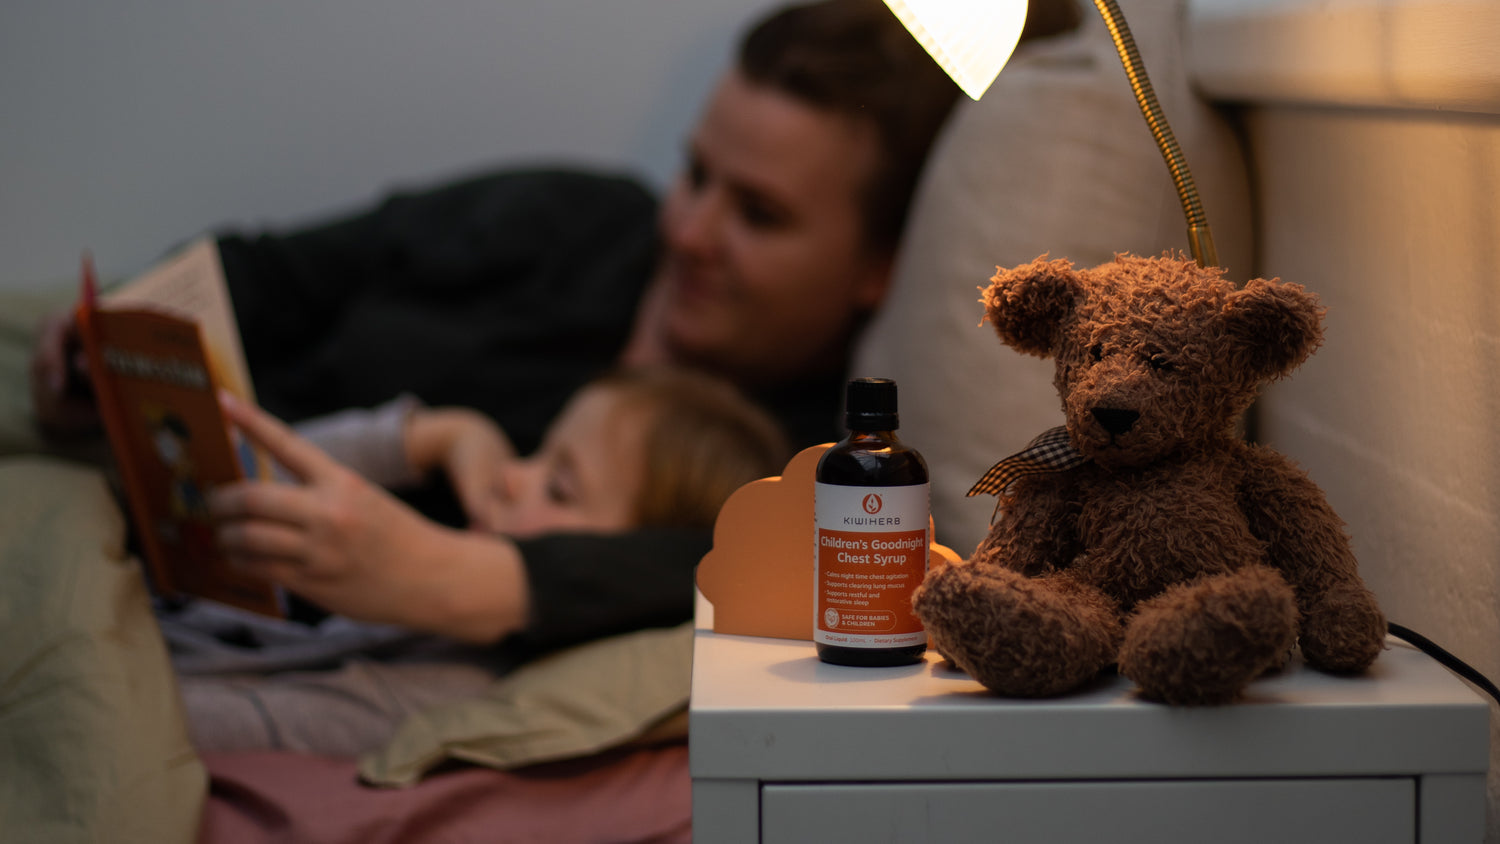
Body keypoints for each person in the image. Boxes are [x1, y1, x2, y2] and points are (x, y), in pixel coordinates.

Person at [29, 2, 1079, 667]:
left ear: (876, 268)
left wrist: (454, 576)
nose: (692, 233)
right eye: (697, 174)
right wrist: (113, 344)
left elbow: (727, 567)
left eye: (758, 214)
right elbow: (273, 270)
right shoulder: (574, 221)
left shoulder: (792, 461)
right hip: (112, 469)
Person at [166, 366, 789, 755]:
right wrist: (430, 437)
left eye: (559, 488)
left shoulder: (447, 690)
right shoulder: (429, 614)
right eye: (539, 453)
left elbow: (188, 723)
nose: (510, 476)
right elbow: (234, 492)